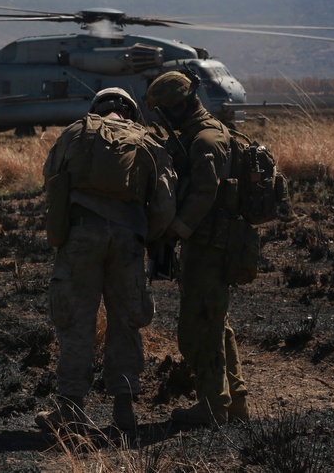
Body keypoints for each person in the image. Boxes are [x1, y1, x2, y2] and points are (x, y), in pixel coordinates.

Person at [37, 88, 176, 439]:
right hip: (128, 242)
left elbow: (50, 173)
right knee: (126, 323)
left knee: (75, 322)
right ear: (130, 112)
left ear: (96, 109)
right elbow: (164, 204)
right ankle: (124, 411)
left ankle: (71, 410)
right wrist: (144, 235)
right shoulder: (147, 141)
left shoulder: (76, 131)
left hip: (80, 239)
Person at [145, 71, 250, 427]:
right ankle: (233, 400)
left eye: (166, 111)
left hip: (209, 247)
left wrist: (174, 232)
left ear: (181, 107)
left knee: (198, 330)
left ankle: (213, 407)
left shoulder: (205, 140)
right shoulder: (203, 133)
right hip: (207, 244)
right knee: (217, 325)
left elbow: (204, 193)